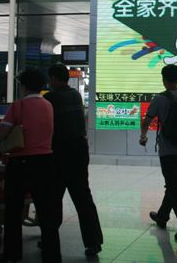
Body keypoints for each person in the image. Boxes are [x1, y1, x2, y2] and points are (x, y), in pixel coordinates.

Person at [0, 69, 61, 263]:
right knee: (47, 213)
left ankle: (12, 254)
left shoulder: (18, 106)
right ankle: (52, 256)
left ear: (23, 87)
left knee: (13, 211)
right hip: (46, 161)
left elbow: (0, 134)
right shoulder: (48, 105)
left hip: (21, 164)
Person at [44, 64, 103, 256]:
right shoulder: (76, 95)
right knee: (83, 197)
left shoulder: (50, 98)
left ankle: (49, 240)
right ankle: (94, 242)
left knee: (53, 198)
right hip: (79, 150)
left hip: (59, 151)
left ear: (53, 78)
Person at [139, 64, 177, 243]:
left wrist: (143, 136)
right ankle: (162, 217)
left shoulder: (159, 98)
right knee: (173, 184)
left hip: (168, 150)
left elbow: (147, 121)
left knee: (174, 187)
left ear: (164, 79)